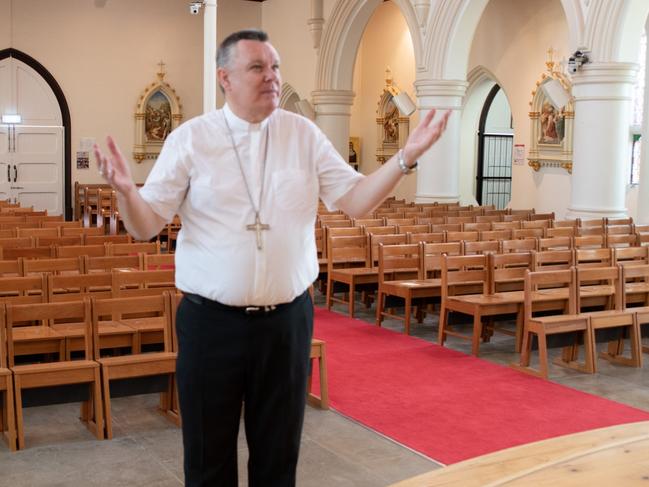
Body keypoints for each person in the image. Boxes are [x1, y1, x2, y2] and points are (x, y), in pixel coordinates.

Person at [93, 29, 450, 487]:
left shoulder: (303, 134)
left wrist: (405, 158)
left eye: (275, 67)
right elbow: (145, 227)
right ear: (225, 78)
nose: (272, 77)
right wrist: (126, 192)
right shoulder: (191, 140)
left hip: (286, 323)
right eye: (257, 68)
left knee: (278, 457)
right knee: (208, 458)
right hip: (210, 325)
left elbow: (356, 200)